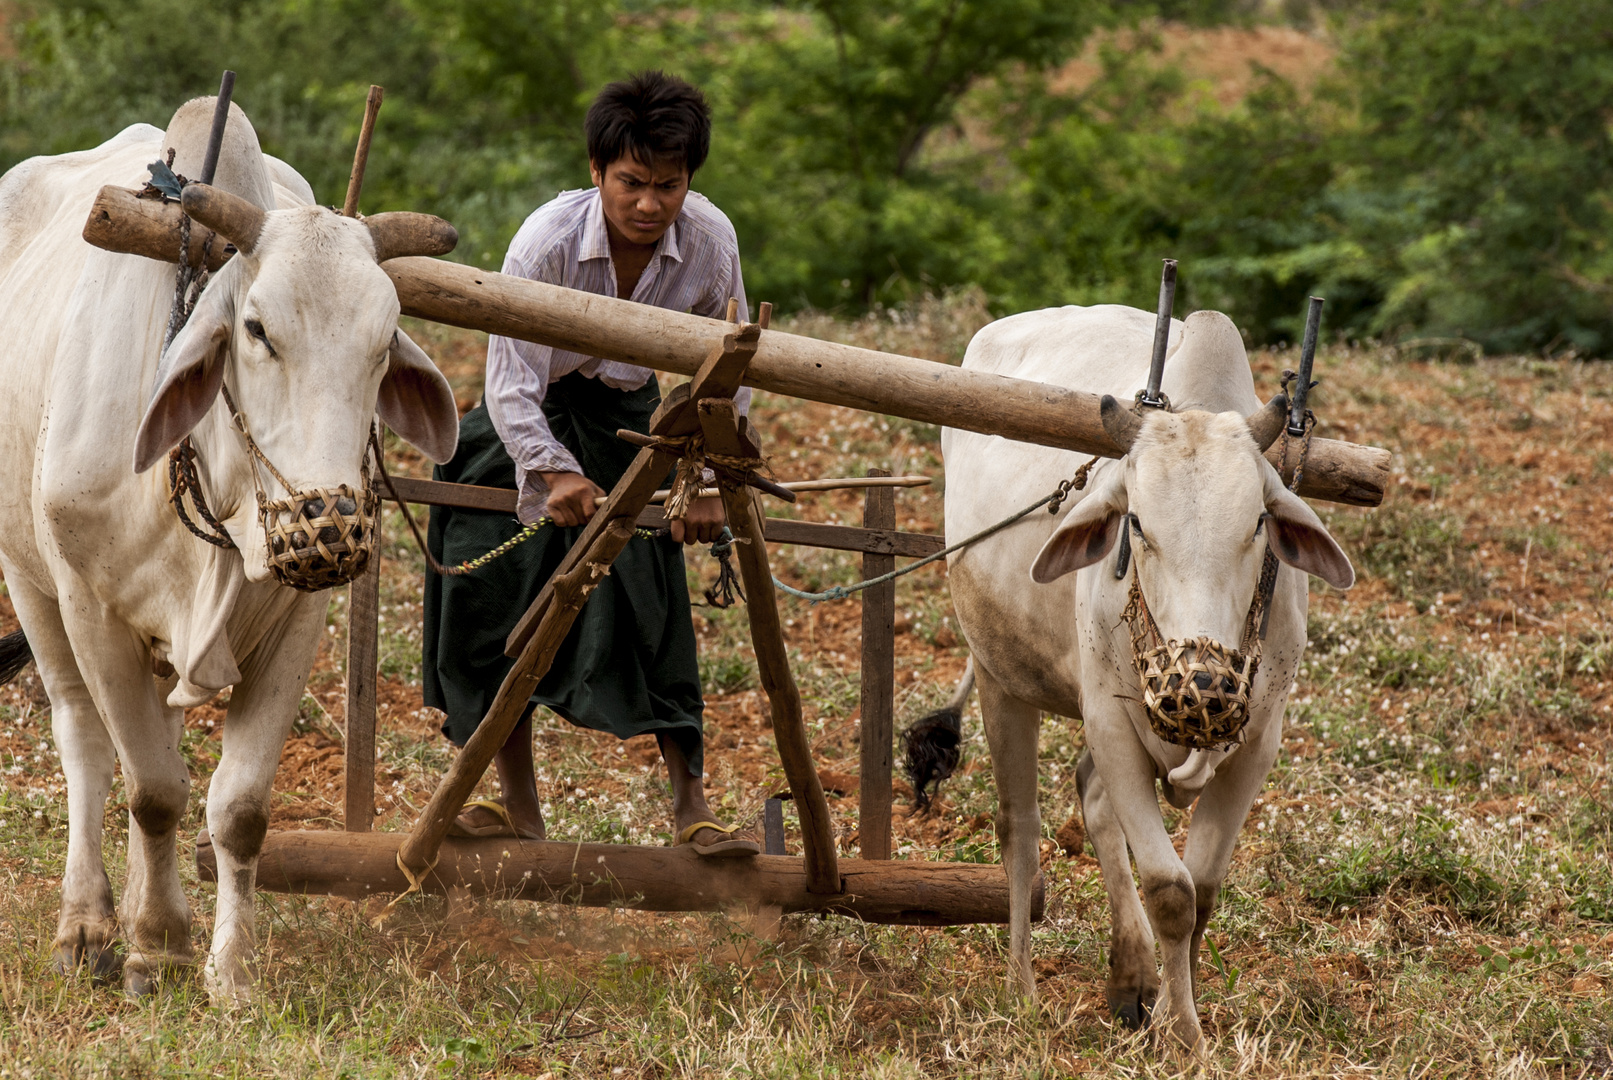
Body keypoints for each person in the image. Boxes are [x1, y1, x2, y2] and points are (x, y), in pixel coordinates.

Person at [422, 71, 759, 857]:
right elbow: (508, 382)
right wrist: (551, 472)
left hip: (632, 427)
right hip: (529, 420)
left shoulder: (710, 244)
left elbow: (726, 371)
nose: (649, 205)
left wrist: (706, 479)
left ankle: (692, 808)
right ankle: (516, 807)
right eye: (630, 184)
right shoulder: (544, 242)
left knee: (650, 599)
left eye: (667, 186)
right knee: (487, 593)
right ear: (596, 174)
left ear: (689, 181)